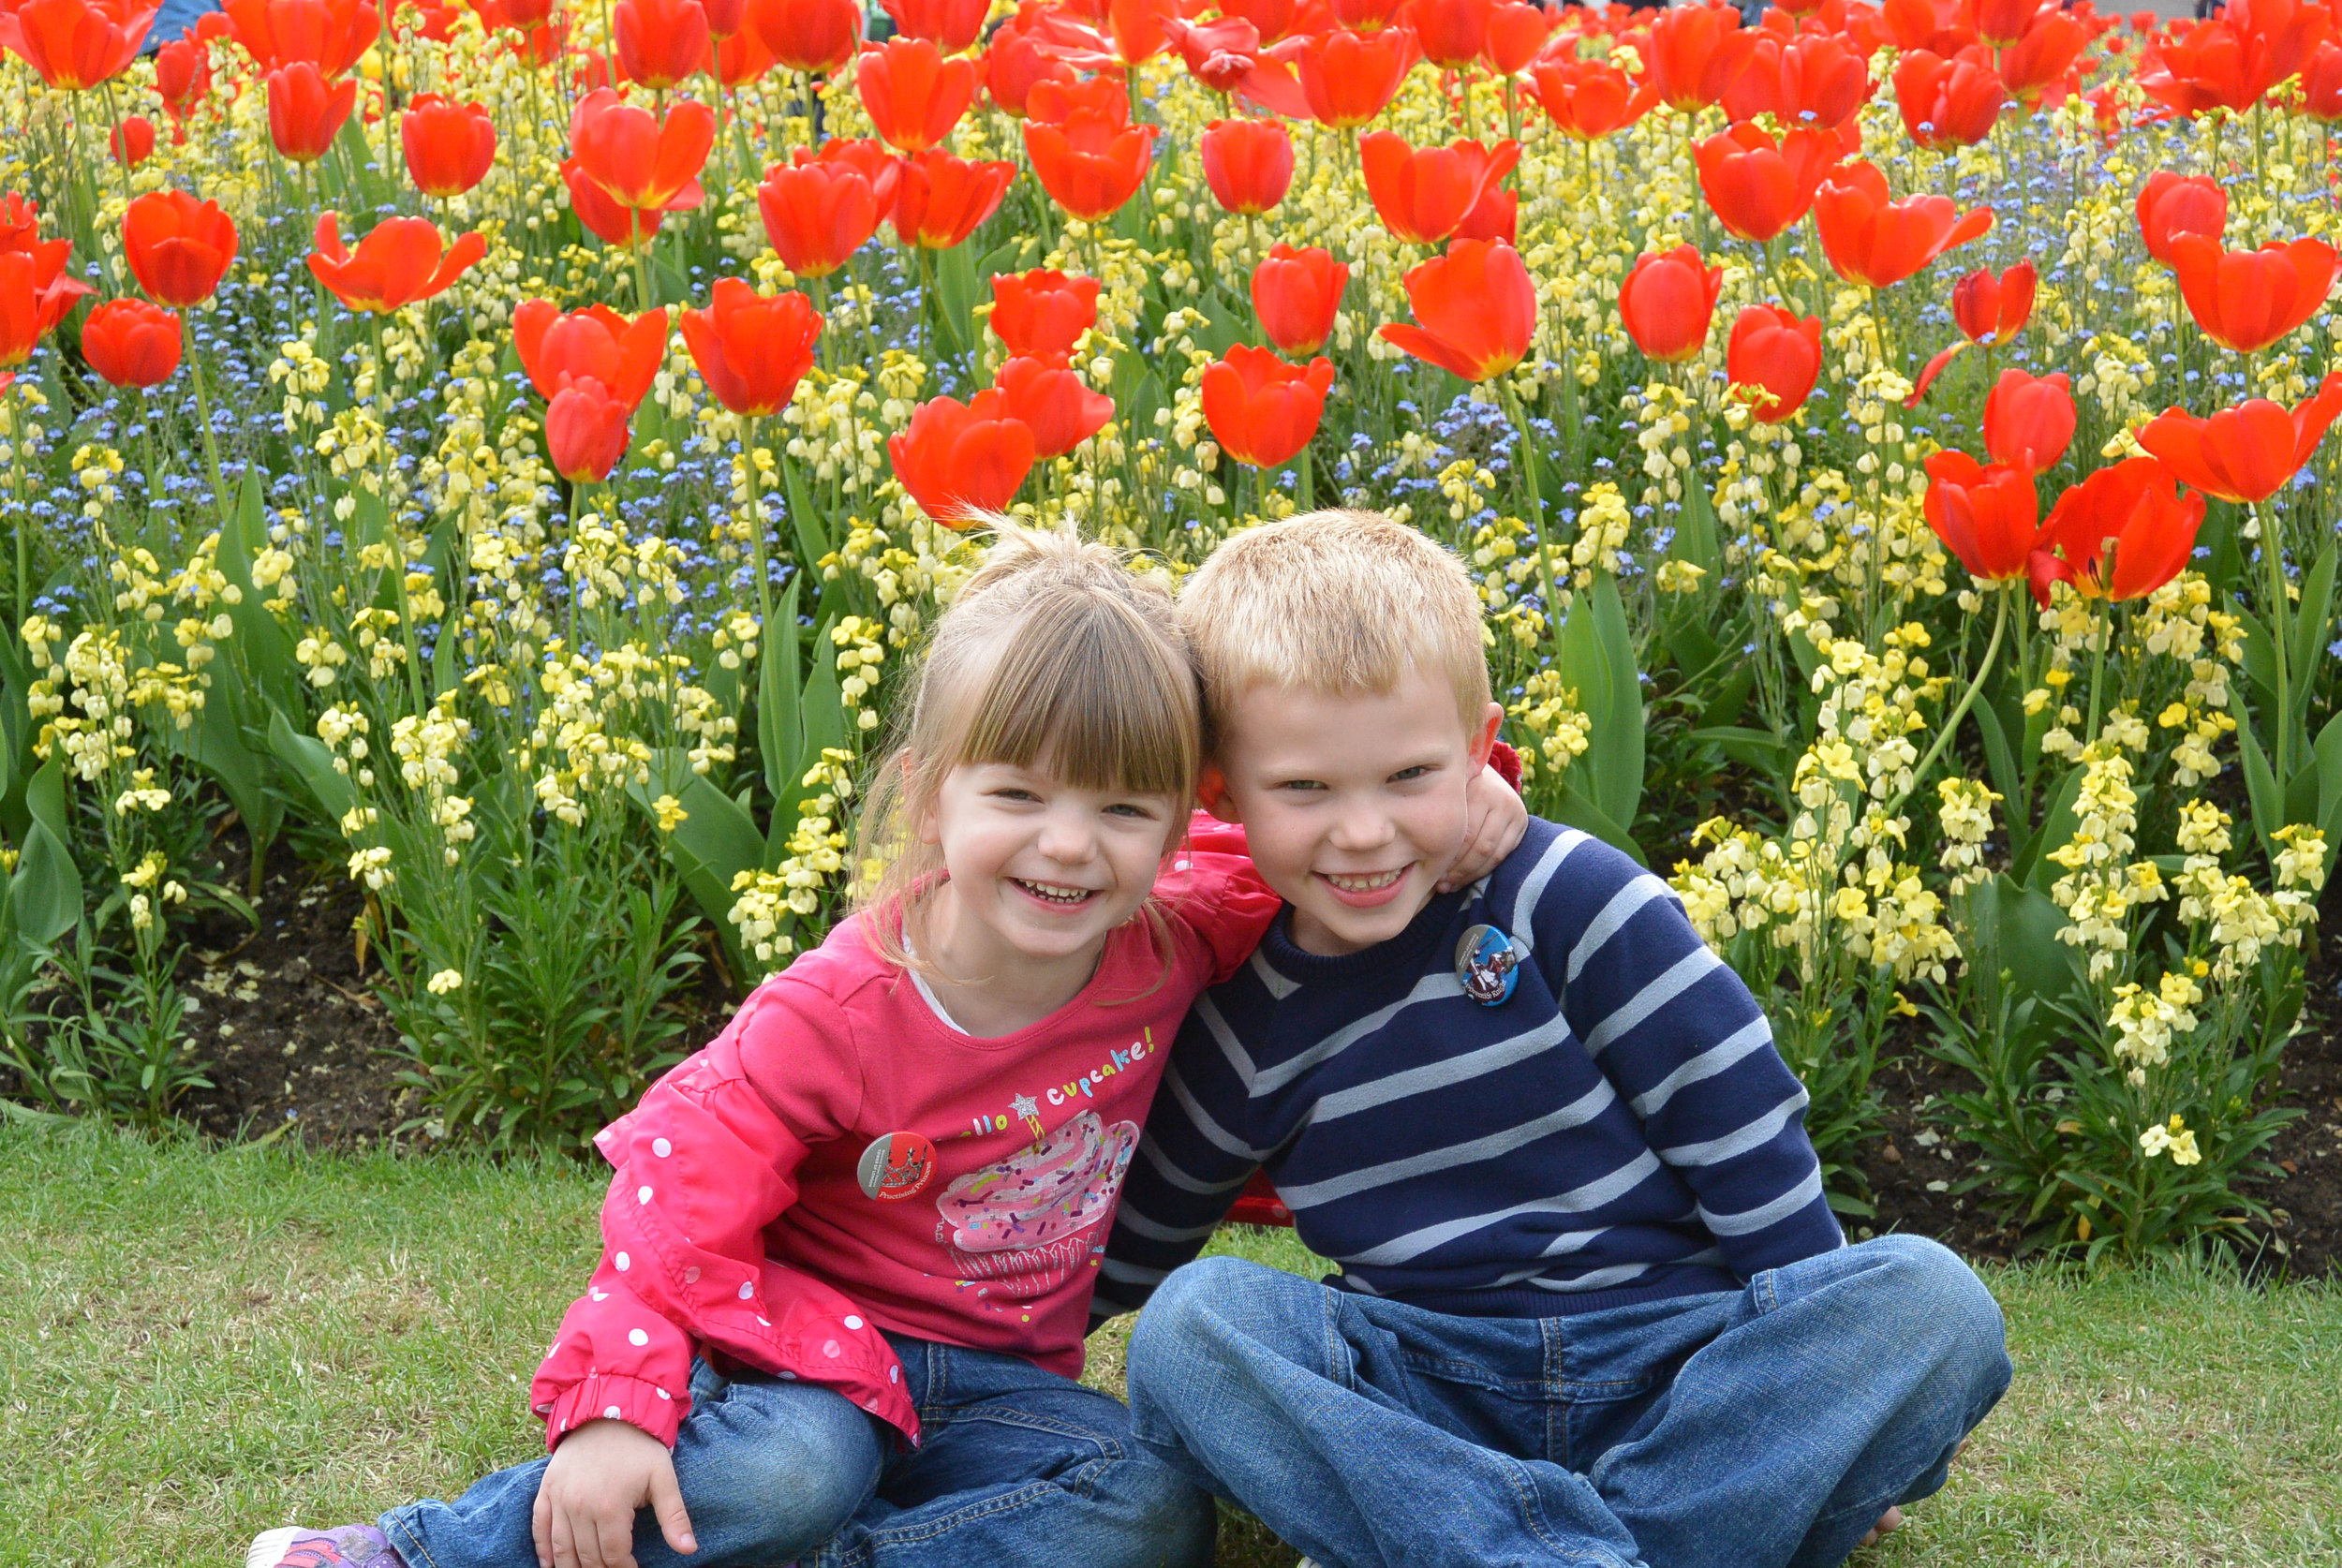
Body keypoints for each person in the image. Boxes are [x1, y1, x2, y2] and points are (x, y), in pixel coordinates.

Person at [245, 523, 1523, 1568]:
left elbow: (1326, 851)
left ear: (1177, 818)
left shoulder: (1171, 943)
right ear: (930, 795)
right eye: (1018, 796)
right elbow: (676, 1195)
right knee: (791, 1472)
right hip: (806, 1360)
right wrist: (617, 1405)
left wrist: (1465, 804)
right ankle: (413, 1551)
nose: (1068, 846)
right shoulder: (842, 1006)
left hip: (1002, 1380)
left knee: (1142, 1502)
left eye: (1121, 808)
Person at [1096, 510, 2013, 1568]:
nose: (1362, 831)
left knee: (1930, 1300)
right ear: (1221, 792)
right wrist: (963, 1357)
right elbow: (1132, 1247)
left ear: (1480, 748)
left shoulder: (1570, 898)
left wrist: (1814, 1382)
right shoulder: (1245, 1020)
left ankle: (1489, 1542)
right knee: (1193, 1328)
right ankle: (1596, 1544)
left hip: (1679, 1366)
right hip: (1426, 1385)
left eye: (1409, 777)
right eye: (1304, 789)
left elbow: (1738, 1125)